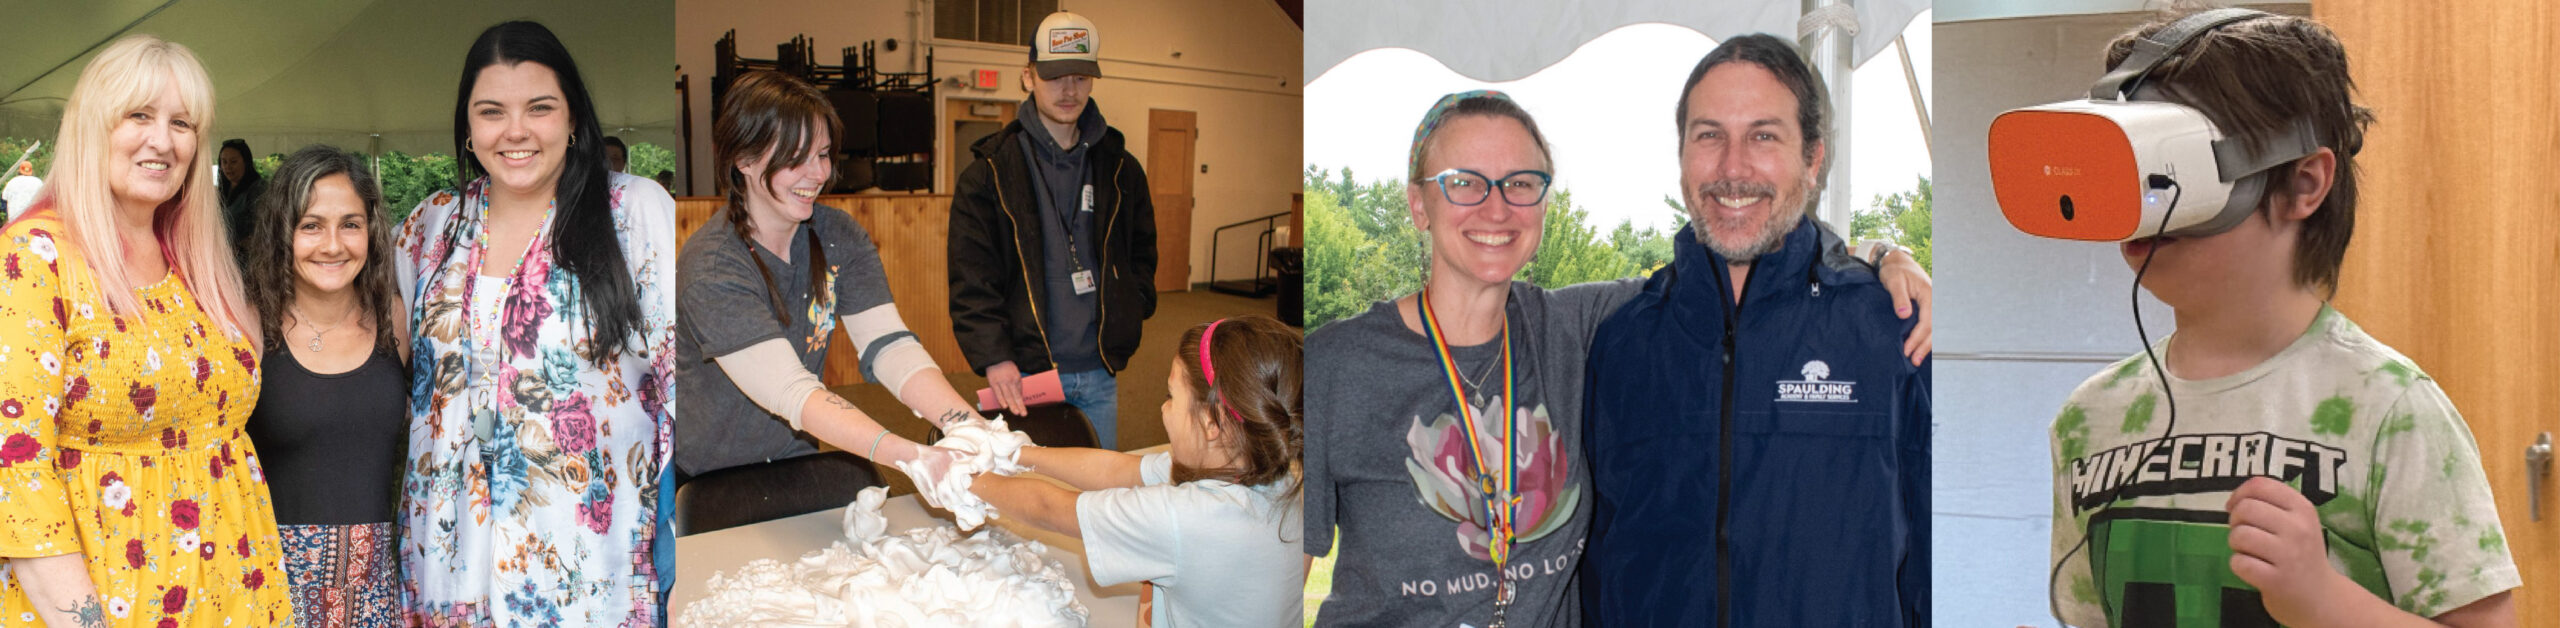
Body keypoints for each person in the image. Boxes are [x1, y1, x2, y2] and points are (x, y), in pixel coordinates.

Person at [1303, 90, 1932, 628]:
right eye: (1464, 182)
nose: (1496, 208)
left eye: (1521, 183)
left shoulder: (1582, 327)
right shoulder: (1336, 364)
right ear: (1419, 203)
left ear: (1545, 204)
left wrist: (1879, 255)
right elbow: (1280, 576)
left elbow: (1740, 264)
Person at [2041, 10, 2518, 627]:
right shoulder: (2088, 418)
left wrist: (2324, 600)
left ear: (2303, 182)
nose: (2143, 208)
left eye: (2174, 171)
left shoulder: (2390, 409)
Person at [1578, 34, 1931, 626]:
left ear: (1814, 159)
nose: (1733, 168)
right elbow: (1602, 566)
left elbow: (1930, 562)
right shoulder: (1623, 343)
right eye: (1709, 135)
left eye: (1764, 136)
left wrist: (1884, 253)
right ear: (1683, 155)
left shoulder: (1890, 331)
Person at [0, 34, 294, 627]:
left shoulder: (194, 261)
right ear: (92, 126)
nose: (162, 140)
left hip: (234, 592)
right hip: (103, 605)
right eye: (138, 115)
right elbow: (15, 473)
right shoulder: (34, 258)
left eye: (183, 123)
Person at [392, 21, 676, 626]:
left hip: (584, 556)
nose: (515, 131)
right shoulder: (433, 227)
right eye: (491, 111)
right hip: (451, 556)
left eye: (539, 108)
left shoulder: (632, 212)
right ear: (468, 129)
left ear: (574, 119)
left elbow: (681, 374)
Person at [675, 69, 984, 489]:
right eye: (795, 158)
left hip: (794, 457)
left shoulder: (838, 236)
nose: (818, 173)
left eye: (822, 154)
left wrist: (968, 426)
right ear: (744, 160)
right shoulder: (713, 267)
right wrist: (911, 456)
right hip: (711, 478)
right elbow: (791, 390)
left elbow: (889, 347)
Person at [970, 315, 1304, 628]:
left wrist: (968, 478)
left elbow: (1049, 508)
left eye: (1171, 396)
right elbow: (1120, 469)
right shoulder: (1274, 470)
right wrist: (1017, 453)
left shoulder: (1184, 518)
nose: (1163, 407)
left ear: (1211, 423)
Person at [949, 10, 1156, 449]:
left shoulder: (1121, 167)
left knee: (1097, 501)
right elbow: (972, 280)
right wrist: (994, 356)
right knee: (1028, 500)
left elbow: (1142, 252)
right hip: (1023, 375)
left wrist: (1130, 307)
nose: (1069, 89)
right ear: (1028, 77)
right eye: (1054, 75)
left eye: (1081, 76)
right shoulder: (988, 173)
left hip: (1100, 372)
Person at [239, 145, 409, 627]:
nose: (333, 245)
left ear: (371, 232)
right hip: (272, 585)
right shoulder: (248, 328)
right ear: (281, 232)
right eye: (311, 225)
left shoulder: (394, 319)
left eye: (350, 224)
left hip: (375, 590)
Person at [217, 139, 264, 257]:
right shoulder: (222, 190)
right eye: (224, 162)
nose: (228, 167)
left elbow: (264, 230)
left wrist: (239, 246)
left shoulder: (258, 189)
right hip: (224, 260)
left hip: (249, 262)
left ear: (246, 162)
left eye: (233, 162)